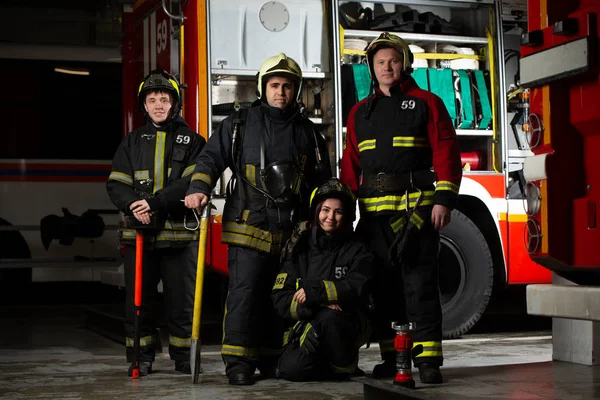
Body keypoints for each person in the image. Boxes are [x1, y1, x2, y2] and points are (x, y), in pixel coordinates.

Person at [184, 53, 331, 385]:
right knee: (245, 293)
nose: (281, 92)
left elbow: (322, 183)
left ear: (297, 90)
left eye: (288, 86)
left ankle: (271, 357)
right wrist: (198, 187)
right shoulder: (238, 124)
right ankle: (238, 361)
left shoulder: (308, 133)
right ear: (263, 88)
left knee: (281, 295)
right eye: (275, 85)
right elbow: (209, 158)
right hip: (248, 227)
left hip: (291, 234)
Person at [340, 32, 463, 384]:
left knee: (420, 287)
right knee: (383, 289)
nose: (387, 67)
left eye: (393, 60)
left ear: (404, 62)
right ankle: (393, 358)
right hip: (374, 220)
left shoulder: (428, 102)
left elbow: (447, 154)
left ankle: (427, 360)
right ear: (371, 67)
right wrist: (345, 216)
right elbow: (350, 165)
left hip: (416, 215)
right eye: (380, 62)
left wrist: (443, 200)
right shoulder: (359, 113)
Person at [106, 69, 206, 377]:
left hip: (180, 237)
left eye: (164, 99)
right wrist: (135, 207)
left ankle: (182, 357)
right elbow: (116, 184)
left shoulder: (193, 141)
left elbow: (190, 182)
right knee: (138, 303)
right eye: (152, 100)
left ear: (175, 103)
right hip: (140, 235)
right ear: (144, 105)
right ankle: (141, 356)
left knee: (182, 303)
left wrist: (155, 202)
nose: (158, 105)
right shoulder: (131, 142)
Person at [272, 178, 373, 382]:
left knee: (330, 319)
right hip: (306, 326)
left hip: (344, 326)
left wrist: (314, 293)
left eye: (338, 212)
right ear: (317, 212)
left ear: (347, 216)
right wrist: (312, 309)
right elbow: (280, 296)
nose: (330, 217)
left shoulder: (358, 251)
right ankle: (325, 366)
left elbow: (357, 287)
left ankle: (345, 365)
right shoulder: (300, 250)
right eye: (325, 210)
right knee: (292, 370)